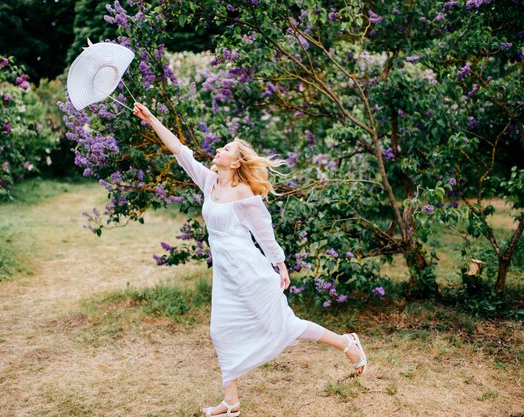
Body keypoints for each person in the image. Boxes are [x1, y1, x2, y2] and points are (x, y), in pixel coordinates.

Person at [132, 102, 367, 417]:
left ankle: (347, 344)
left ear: (236, 160)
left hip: (249, 269)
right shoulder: (208, 181)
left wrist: (280, 264)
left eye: (225, 148)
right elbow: (179, 150)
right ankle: (231, 402)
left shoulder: (244, 193)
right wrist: (151, 119)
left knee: (284, 325)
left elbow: (264, 232)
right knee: (221, 331)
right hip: (226, 274)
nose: (218, 149)